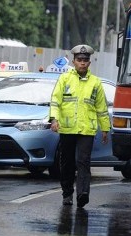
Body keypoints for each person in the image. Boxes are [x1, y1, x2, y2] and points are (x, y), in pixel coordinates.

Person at [49, 44, 111, 207]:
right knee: (67, 162)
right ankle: (67, 193)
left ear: (89, 63)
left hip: (86, 130)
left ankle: (83, 193)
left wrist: (105, 129)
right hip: (67, 128)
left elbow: (101, 108)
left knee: (84, 161)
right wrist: (54, 119)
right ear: (74, 61)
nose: (82, 63)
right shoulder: (64, 79)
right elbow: (55, 100)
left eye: (85, 60)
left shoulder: (95, 83)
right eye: (79, 60)